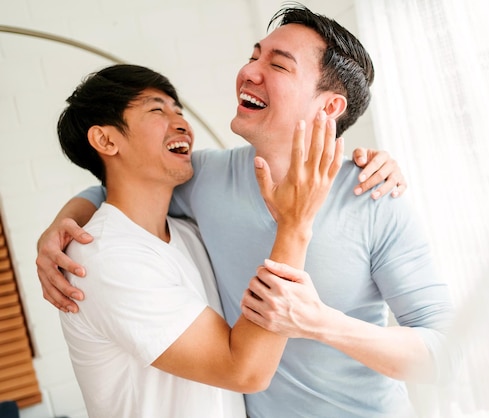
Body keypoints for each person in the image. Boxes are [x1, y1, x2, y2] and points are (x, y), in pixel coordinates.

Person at [37, 4, 458, 417]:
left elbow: (445, 352)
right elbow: (121, 185)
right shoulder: (205, 179)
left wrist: (321, 322)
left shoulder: (374, 196)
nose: (249, 71)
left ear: (329, 107)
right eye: (254, 55)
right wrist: (62, 226)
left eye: (278, 65)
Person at [55, 63, 344, 417]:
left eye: (179, 110)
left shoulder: (187, 233)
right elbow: (244, 370)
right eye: (157, 109)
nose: (182, 124)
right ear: (106, 140)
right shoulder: (104, 259)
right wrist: (295, 226)